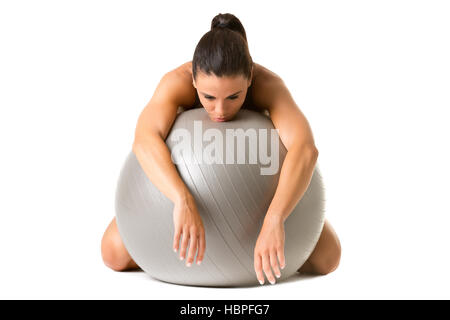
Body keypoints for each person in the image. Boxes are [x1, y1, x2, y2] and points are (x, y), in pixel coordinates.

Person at [101, 13, 341, 285]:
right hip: (178, 198)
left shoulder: (268, 86)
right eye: (209, 97)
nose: (220, 110)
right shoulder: (176, 82)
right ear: (194, 79)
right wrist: (182, 199)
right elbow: (144, 140)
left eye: (234, 97)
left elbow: (305, 149)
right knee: (113, 254)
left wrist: (275, 218)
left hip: (258, 200)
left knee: (328, 258)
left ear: (249, 77)